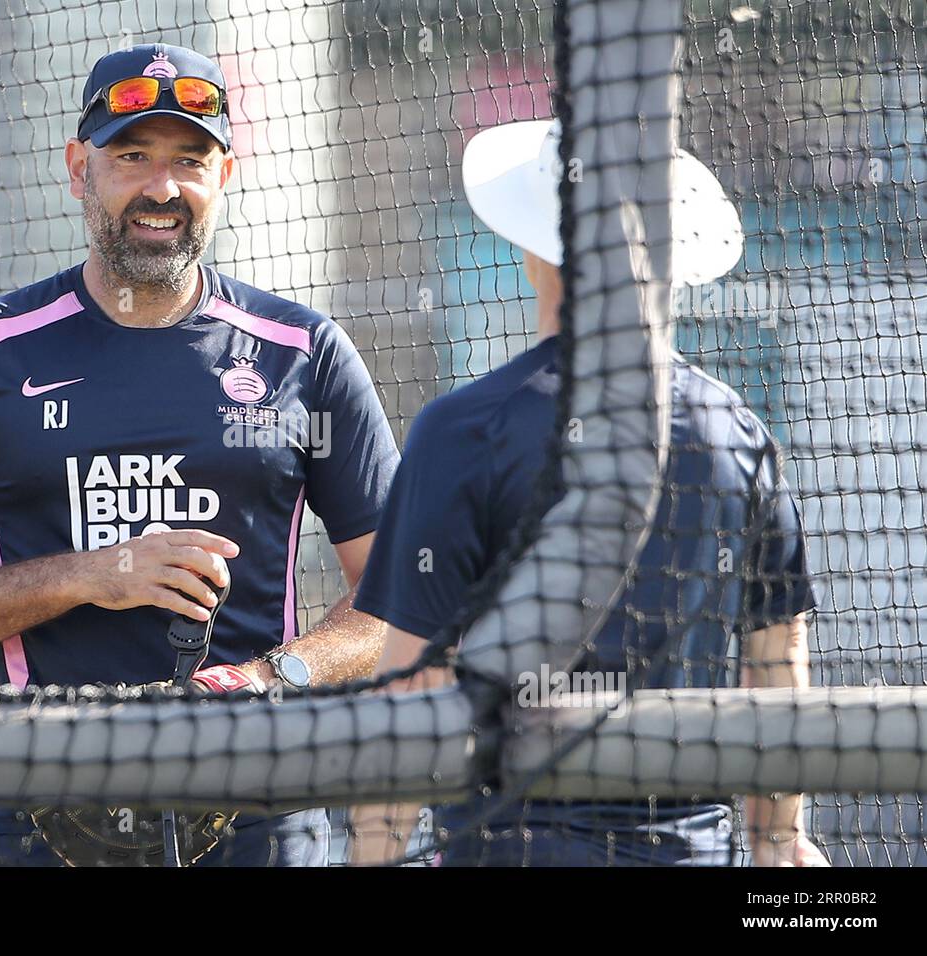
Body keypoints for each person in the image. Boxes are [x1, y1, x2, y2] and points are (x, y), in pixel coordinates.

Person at [0, 43, 399, 867]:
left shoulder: (304, 353)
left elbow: (406, 597)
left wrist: (270, 678)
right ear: (79, 168)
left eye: (190, 160)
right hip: (41, 810)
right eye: (132, 156)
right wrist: (93, 575)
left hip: (260, 813)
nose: (162, 188)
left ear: (224, 175)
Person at [349, 119, 826, 867]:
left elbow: (412, 687)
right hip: (687, 850)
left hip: (507, 847)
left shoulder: (466, 428)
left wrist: (371, 857)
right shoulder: (737, 433)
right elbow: (776, 664)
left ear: (536, 249)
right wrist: (780, 841)